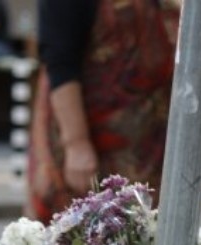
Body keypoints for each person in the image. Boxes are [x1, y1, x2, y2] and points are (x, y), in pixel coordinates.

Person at [27, 0, 180, 224]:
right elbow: (60, 61)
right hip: (84, 134)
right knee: (76, 237)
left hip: (150, 141)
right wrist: (76, 144)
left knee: (145, 237)